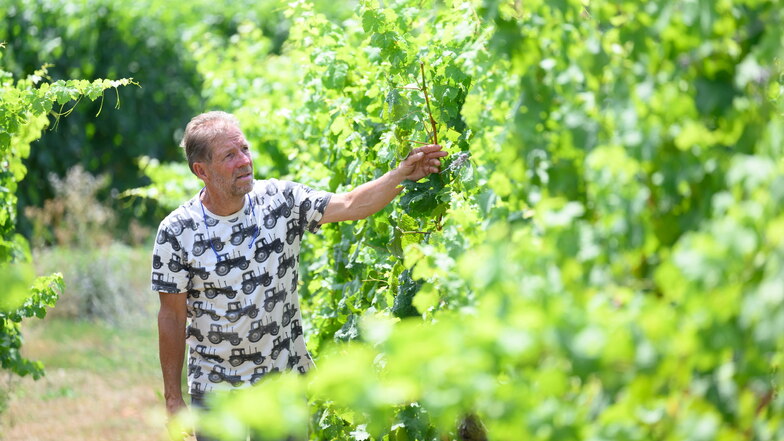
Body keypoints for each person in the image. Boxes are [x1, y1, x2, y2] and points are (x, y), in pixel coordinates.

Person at [152, 111, 446, 439]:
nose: (244, 161)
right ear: (201, 171)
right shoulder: (177, 232)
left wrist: (402, 174)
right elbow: (172, 317)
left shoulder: (281, 201)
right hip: (216, 390)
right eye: (230, 155)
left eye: (245, 149)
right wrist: (173, 398)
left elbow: (351, 204)